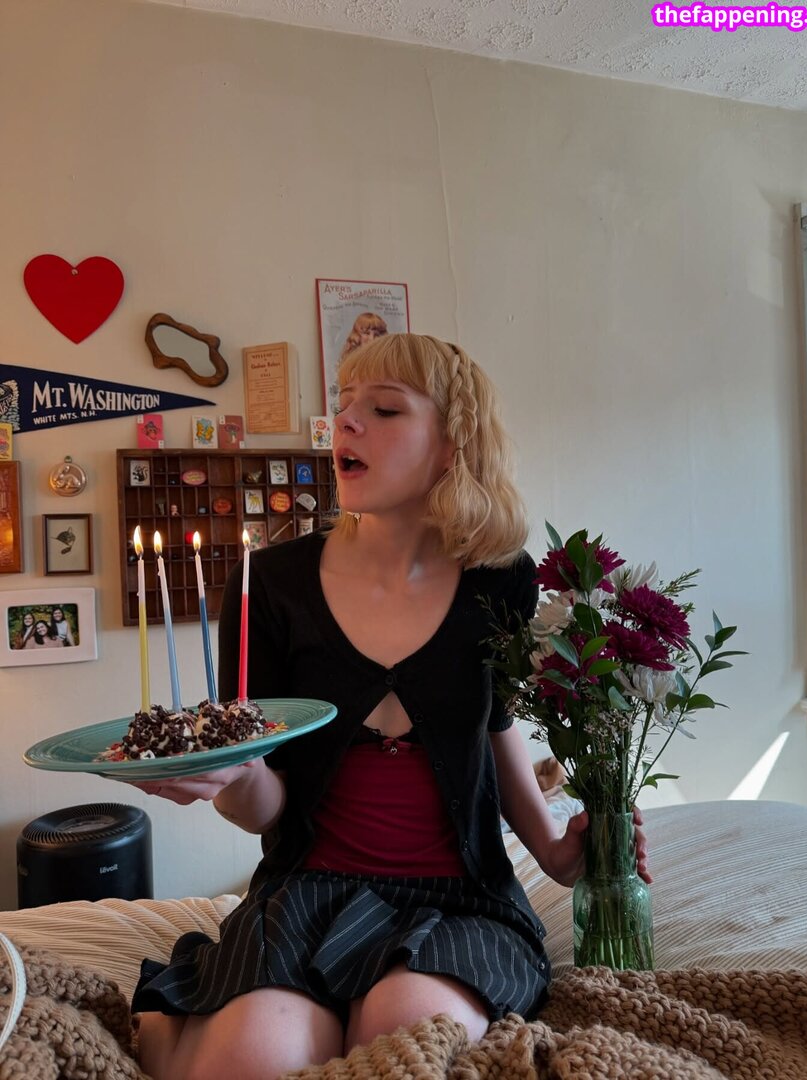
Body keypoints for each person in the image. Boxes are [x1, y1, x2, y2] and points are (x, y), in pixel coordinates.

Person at [129, 333, 651, 1080]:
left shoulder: (500, 580)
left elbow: (494, 726)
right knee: (254, 1057)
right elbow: (266, 805)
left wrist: (554, 853)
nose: (344, 421)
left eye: (383, 408)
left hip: (459, 904)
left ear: (452, 445)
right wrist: (234, 774)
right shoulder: (268, 584)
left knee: (406, 1037)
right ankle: (177, 1026)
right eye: (343, 404)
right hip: (304, 892)